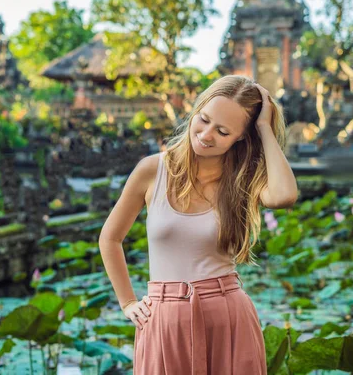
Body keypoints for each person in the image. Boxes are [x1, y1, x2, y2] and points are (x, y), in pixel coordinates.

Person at [99, 75, 298, 374]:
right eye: (203, 120)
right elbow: (110, 238)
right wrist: (127, 302)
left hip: (226, 316)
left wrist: (264, 129)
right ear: (196, 109)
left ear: (241, 137)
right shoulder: (152, 170)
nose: (205, 135)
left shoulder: (243, 179)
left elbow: (284, 195)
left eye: (222, 131)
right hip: (163, 318)